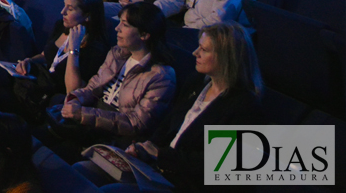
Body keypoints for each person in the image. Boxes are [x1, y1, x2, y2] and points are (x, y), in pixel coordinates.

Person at [77, 22, 263, 192]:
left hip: (185, 183)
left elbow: (214, 162)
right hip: (158, 167)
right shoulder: (198, 83)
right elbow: (168, 124)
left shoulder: (243, 105)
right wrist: (145, 147)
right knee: (82, 171)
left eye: (204, 50)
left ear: (225, 58)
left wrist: (161, 154)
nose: (195, 53)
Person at [56, 2, 176, 144]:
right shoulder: (117, 54)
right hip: (94, 114)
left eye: (124, 25)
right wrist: (75, 99)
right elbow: (92, 88)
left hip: (115, 133)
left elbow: (135, 124)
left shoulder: (161, 76)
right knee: (57, 104)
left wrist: (82, 114)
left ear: (144, 34)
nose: (117, 28)